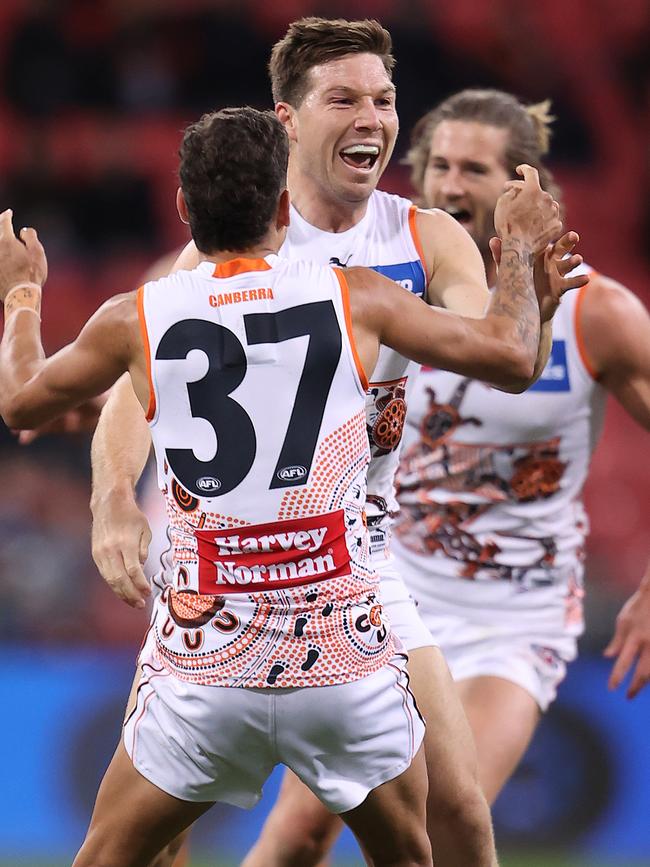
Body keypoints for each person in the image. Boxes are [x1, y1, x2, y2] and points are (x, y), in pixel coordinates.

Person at [0, 105, 562, 867]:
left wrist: (22, 297)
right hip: (341, 653)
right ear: (285, 208)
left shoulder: (135, 315)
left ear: (180, 208)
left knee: (106, 857)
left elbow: (22, 397)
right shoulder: (355, 297)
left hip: (207, 657)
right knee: (414, 854)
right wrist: (523, 244)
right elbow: (512, 355)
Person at [387, 88, 650, 806]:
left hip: (512, 615)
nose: (449, 184)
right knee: (297, 833)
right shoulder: (386, 295)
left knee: (449, 806)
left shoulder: (599, 313)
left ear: (523, 189)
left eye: (474, 169)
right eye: (438, 164)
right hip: (386, 596)